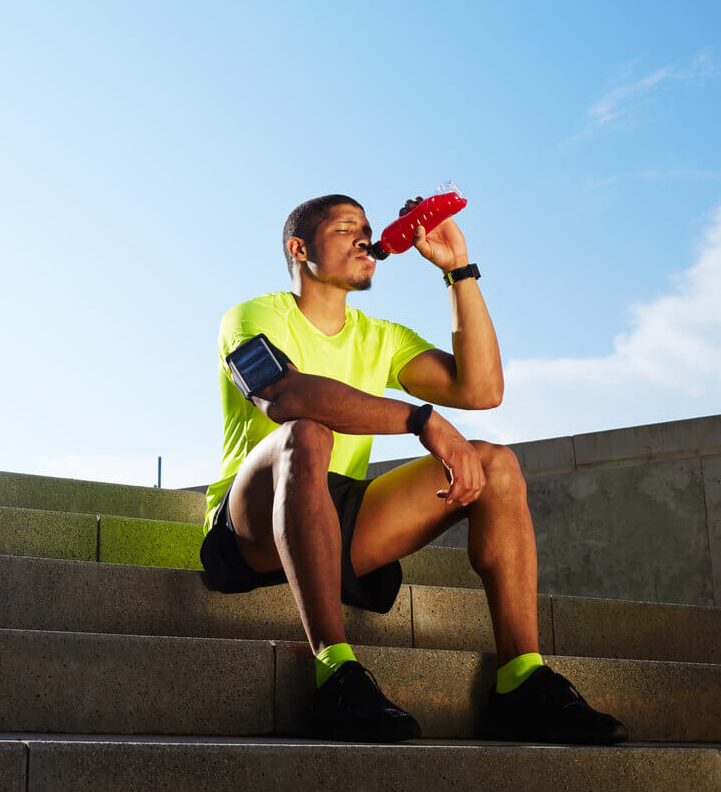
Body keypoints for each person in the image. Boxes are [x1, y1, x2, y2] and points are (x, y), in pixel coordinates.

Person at [199, 193, 628, 745]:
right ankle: (335, 674)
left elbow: (482, 389)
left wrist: (458, 271)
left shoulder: (382, 336)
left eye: (369, 229)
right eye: (345, 228)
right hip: (249, 523)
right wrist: (421, 420)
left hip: (339, 518)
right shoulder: (252, 316)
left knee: (496, 465)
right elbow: (281, 394)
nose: (365, 238)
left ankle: (521, 682)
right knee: (305, 432)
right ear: (299, 249)